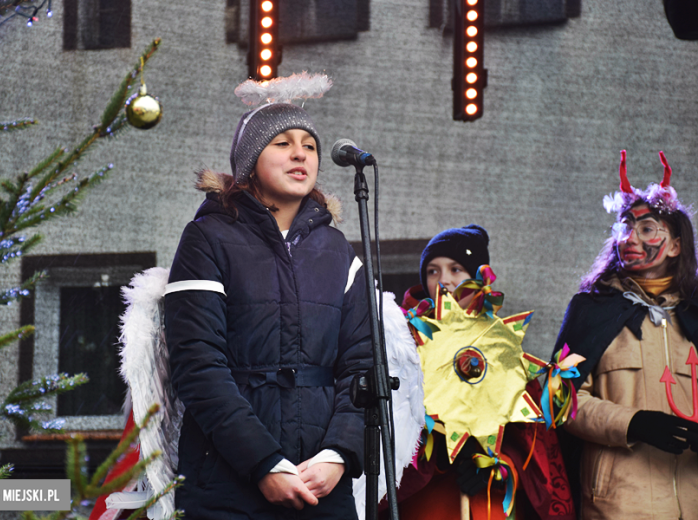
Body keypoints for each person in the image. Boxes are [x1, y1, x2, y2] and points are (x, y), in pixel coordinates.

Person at [163, 74, 372, 519]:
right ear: (249, 160)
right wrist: (264, 463)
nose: (300, 153)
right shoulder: (207, 239)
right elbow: (198, 365)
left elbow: (362, 369)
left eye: (309, 145)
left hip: (323, 487)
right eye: (281, 142)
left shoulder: (338, 251)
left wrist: (338, 455)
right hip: (227, 484)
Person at [387, 225, 575, 520]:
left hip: (489, 505)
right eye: (433, 271)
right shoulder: (403, 343)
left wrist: (499, 467)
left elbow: (533, 444)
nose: (444, 280)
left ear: (478, 277)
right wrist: (438, 453)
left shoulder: (503, 346)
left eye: (456, 269)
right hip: (429, 504)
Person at [554, 151, 698, 519]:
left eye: (646, 228)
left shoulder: (696, 315)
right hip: (618, 506)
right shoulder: (592, 310)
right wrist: (633, 424)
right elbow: (558, 398)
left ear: (676, 244)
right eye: (624, 228)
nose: (630, 238)